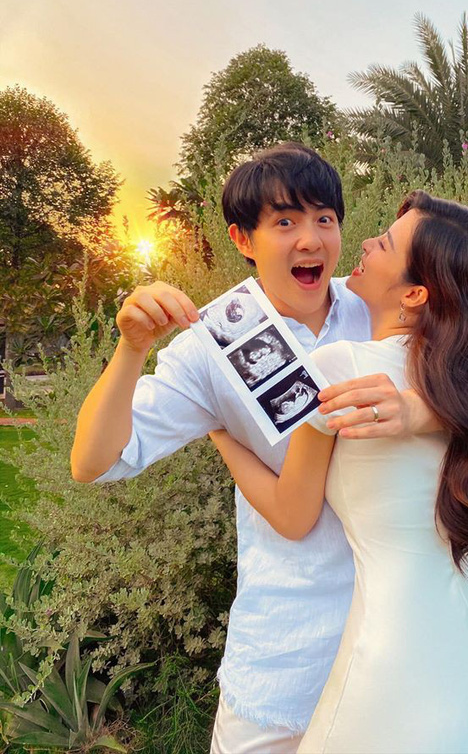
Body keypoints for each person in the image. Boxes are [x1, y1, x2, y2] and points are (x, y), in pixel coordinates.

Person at [69, 143, 439, 754]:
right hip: (283, 652)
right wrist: (130, 350)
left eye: (324, 218)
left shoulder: (378, 304)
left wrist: (418, 411)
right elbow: (94, 461)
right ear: (243, 239)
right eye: (285, 222)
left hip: (389, 650)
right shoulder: (210, 343)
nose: (311, 240)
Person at [210, 191, 468, 754]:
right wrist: (428, 408)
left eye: (385, 244)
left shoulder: (340, 367)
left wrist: (219, 432)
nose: (365, 242)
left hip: (396, 657)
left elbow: (292, 514)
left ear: (414, 293)